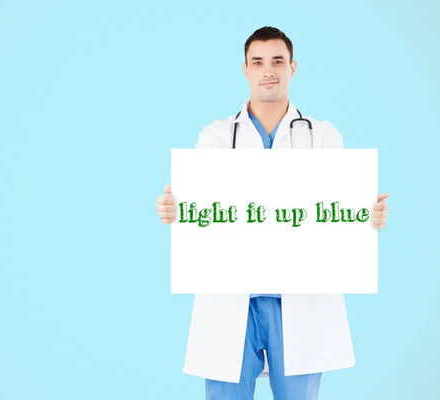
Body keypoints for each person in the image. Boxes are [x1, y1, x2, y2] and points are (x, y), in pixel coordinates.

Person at [155, 26, 389, 400]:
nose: (269, 70)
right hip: (232, 298)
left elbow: (342, 209)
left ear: (292, 68)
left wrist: (368, 217)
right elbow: (199, 205)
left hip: (300, 297)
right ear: (245, 69)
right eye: (258, 62)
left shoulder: (322, 136)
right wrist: (175, 209)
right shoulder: (216, 136)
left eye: (278, 61)